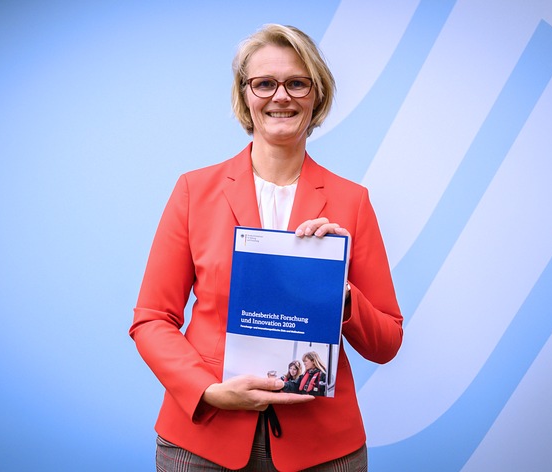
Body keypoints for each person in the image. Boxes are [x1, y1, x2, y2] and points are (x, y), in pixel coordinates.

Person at [130, 23, 403, 471]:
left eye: (297, 83)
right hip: (202, 440)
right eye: (264, 83)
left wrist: (341, 293)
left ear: (317, 95)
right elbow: (152, 319)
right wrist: (207, 390)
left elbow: (386, 342)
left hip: (322, 447)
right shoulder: (194, 191)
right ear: (245, 95)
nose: (281, 96)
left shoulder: (352, 202)